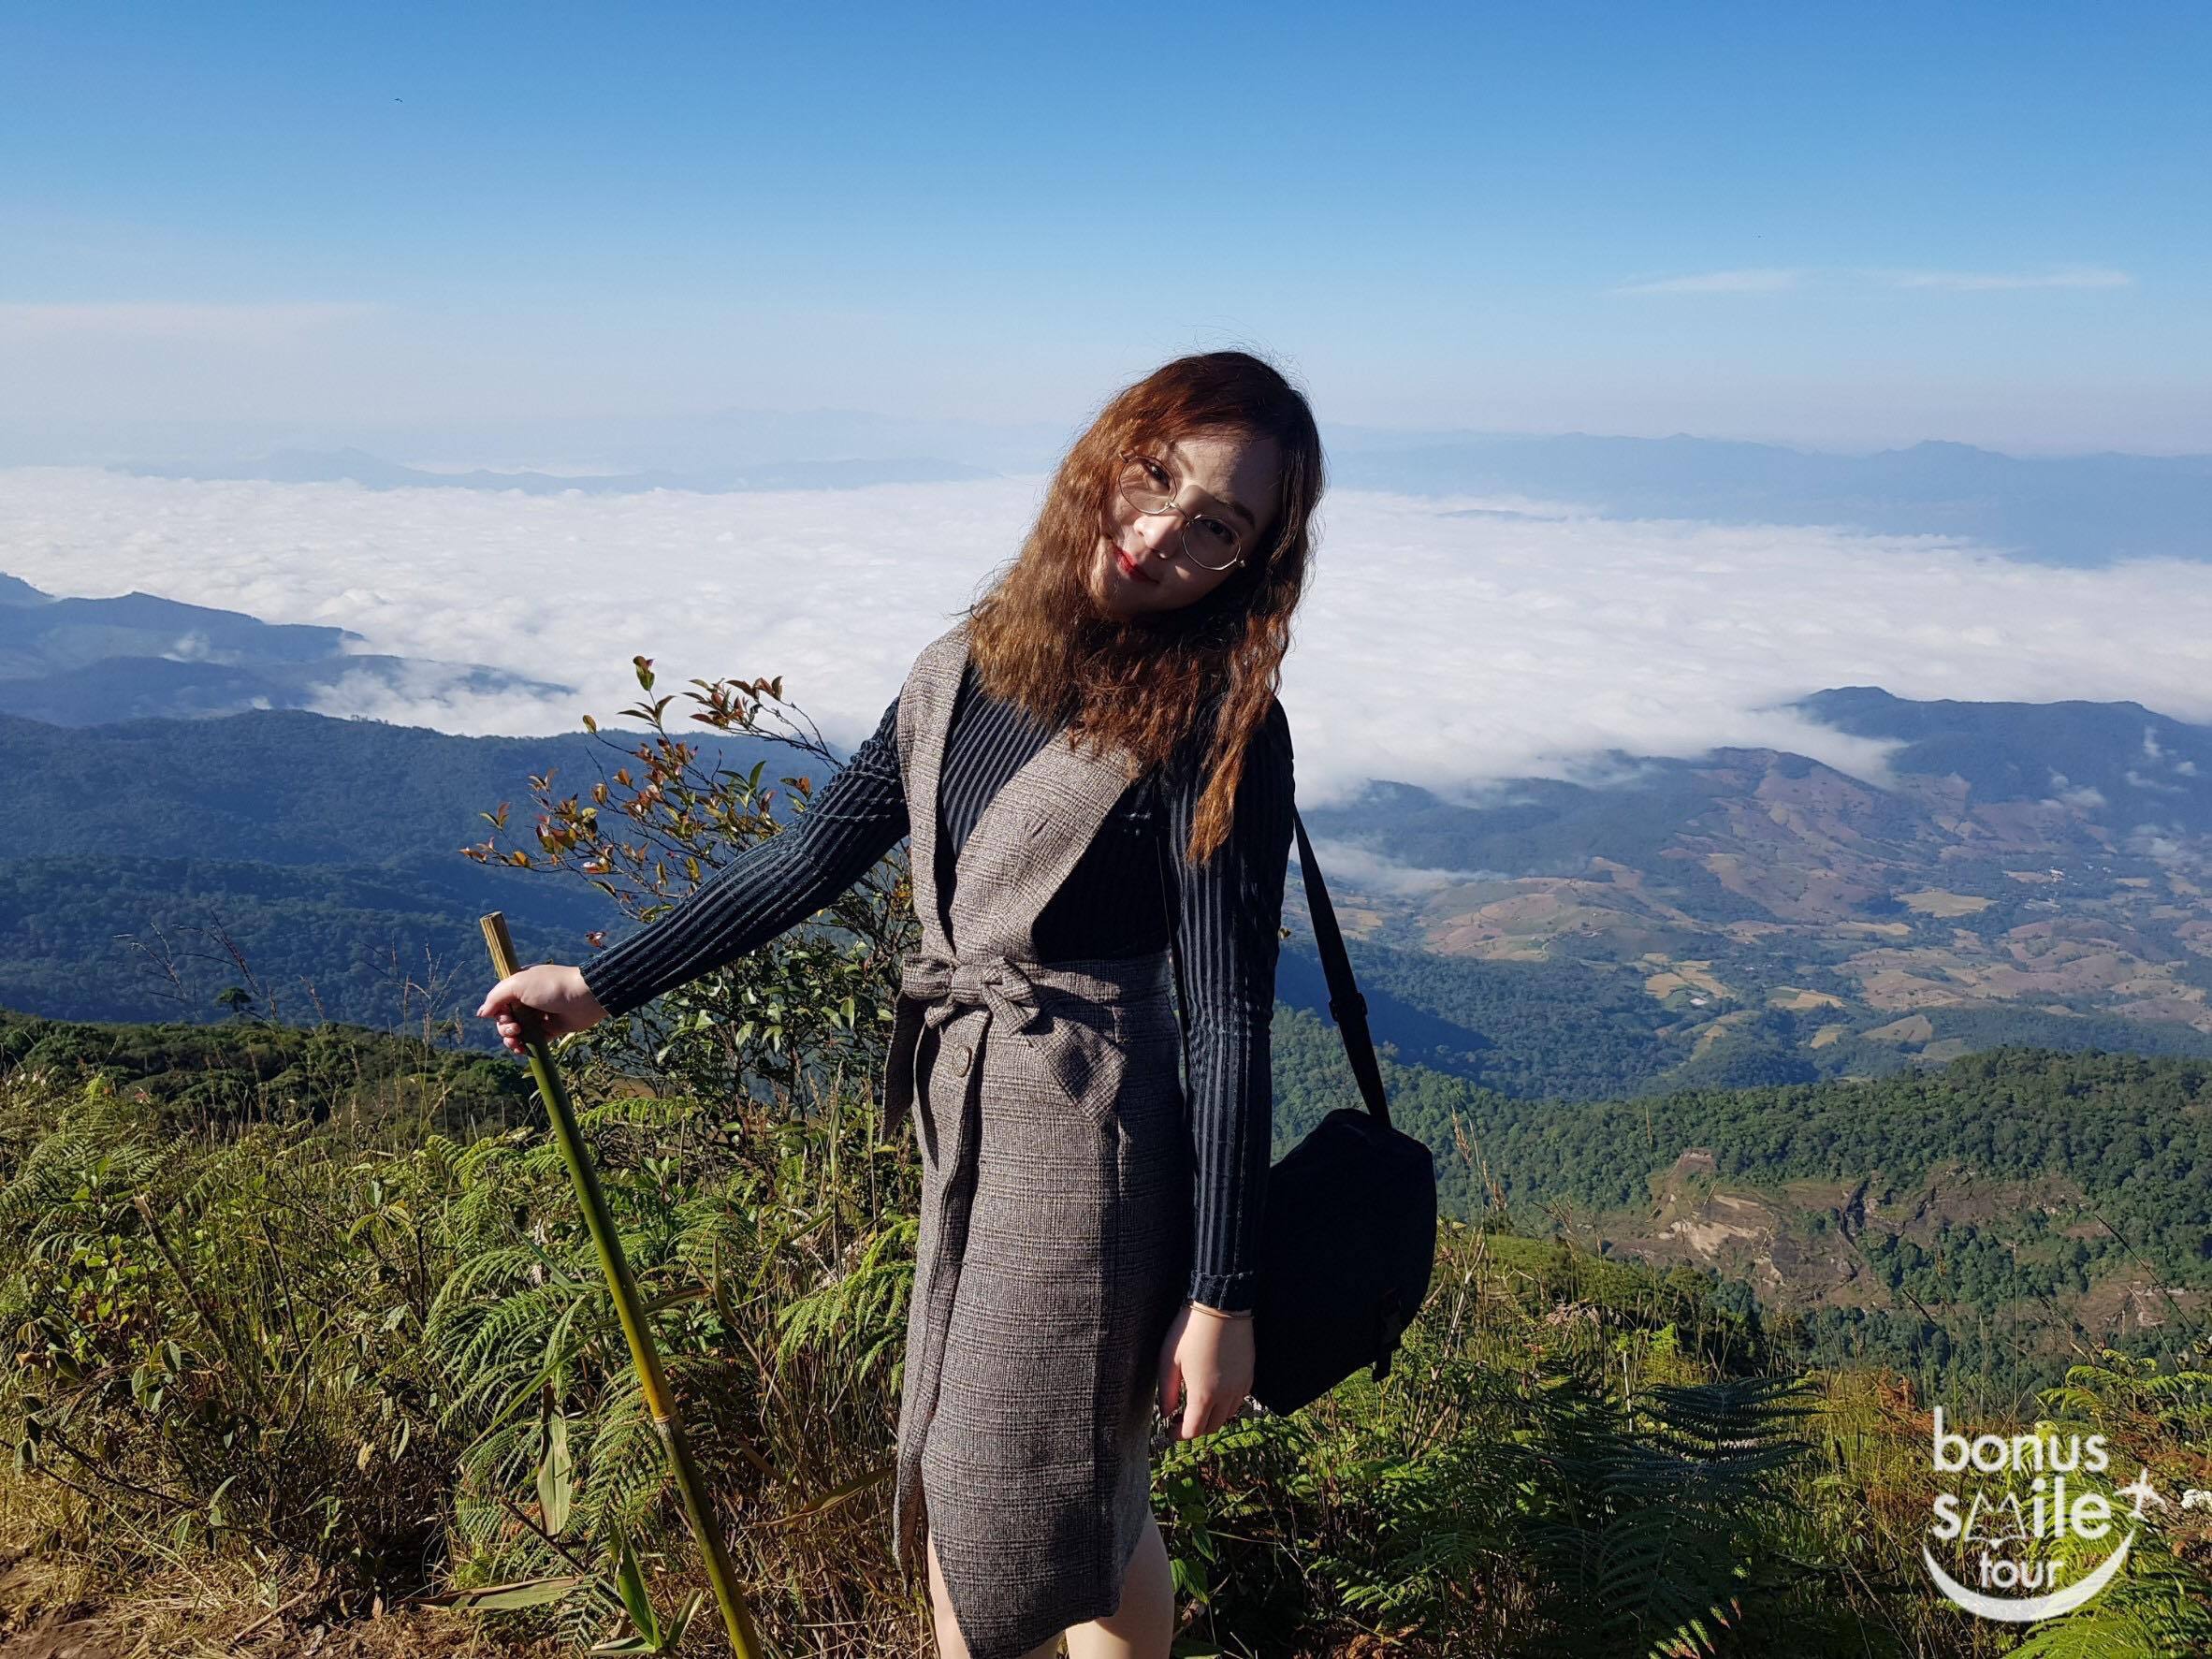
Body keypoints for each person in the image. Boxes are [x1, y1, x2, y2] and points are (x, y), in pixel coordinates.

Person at [476, 349, 1323, 1659]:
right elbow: (814, 858)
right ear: (1104, 456)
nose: (1163, 533)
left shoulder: (1216, 722)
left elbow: (1228, 1018)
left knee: (975, 1511)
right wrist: (598, 985)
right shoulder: (966, 664)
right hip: (969, 1110)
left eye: (1217, 524)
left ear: (1248, 566)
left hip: (1094, 1149)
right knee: (1090, 1497)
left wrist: (1223, 1293)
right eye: (1157, 477)